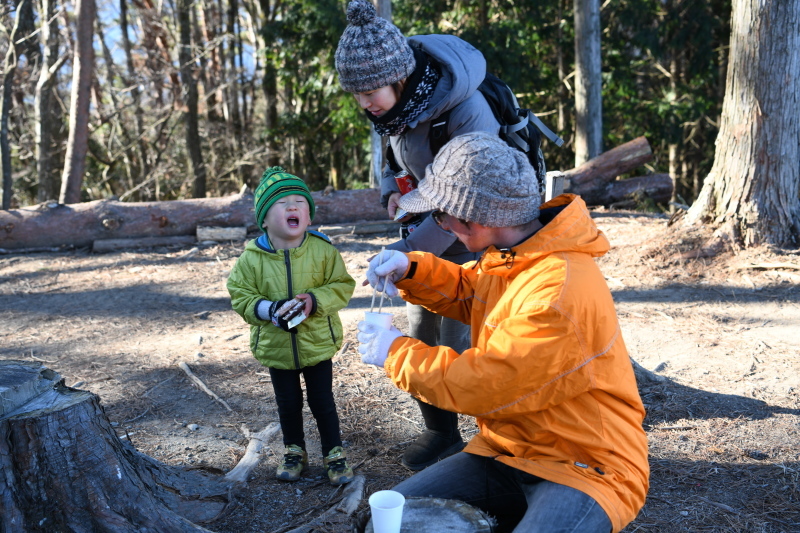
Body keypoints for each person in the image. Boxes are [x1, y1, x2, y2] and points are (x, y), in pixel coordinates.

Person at [356, 132, 649, 532]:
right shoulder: (513, 257)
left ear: (476, 218)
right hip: (505, 450)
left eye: (440, 217)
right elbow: (471, 292)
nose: (439, 226)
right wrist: (412, 269)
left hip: (585, 466)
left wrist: (396, 353)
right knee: (387, 524)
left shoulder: (557, 291)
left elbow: (486, 383)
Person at [335, 0, 500, 471]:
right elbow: (393, 157)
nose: (365, 102)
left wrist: (404, 253)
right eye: (357, 93)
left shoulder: (464, 112)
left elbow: (467, 196)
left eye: (371, 91)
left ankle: (496, 438)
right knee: (421, 331)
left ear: (400, 78)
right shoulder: (394, 110)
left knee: (458, 336)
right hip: (426, 232)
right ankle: (441, 434)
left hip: (475, 233)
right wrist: (392, 189)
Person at [227, 167, 356, 486]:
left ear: (309, 216)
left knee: (323, 401)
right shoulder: (252, 259)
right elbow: (240, 293)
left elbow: (342, 285)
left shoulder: (323, 250)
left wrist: (314, 300)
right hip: (277, 346)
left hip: (316, 343)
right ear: (265, 219)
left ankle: (333, 452)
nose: (293, 206)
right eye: (282, 203)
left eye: (300, 202)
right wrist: (267, 309)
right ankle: (294, 450)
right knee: (288, 403)